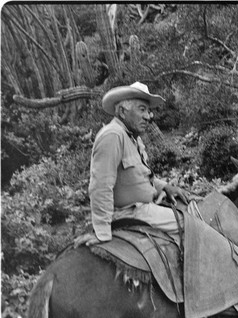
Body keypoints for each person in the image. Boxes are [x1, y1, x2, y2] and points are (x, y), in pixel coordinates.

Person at [75, 82, 190, 247]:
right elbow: (101, 185)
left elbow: (137, 177)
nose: (148, 116)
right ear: (122, 111)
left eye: (148, 111)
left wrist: (164, 187)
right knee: (190, 224)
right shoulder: (113, 135)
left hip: (145, 207)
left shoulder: (132, 137)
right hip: (130, 213)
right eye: (142, 109)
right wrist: (102, 232)